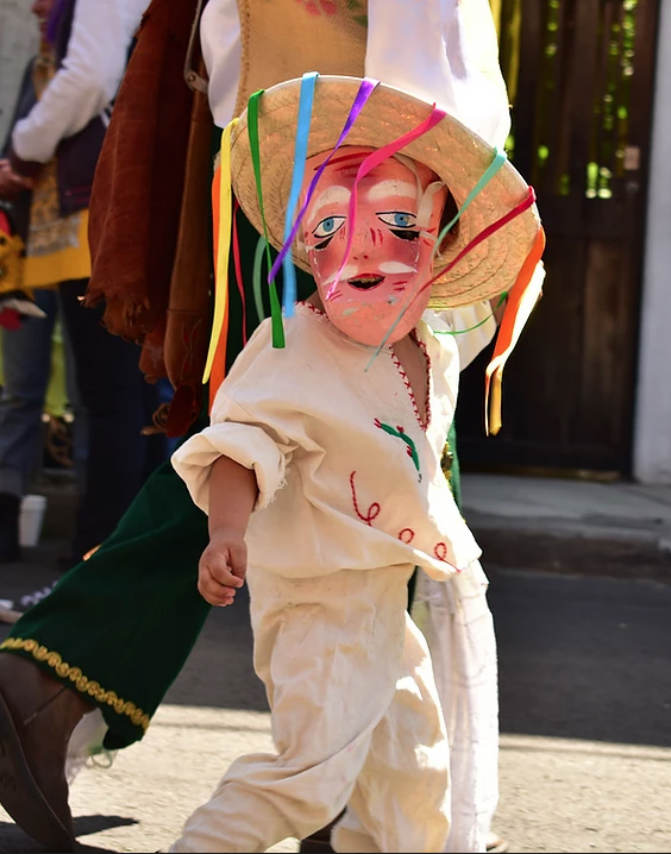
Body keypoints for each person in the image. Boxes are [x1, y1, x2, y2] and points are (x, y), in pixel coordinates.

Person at [0, 2, 534, 850]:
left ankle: (61, 682)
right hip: (368, 181)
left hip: (301, 173)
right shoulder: (390, 229)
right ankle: (67, 687)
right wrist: (420, 226)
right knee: (322, 435)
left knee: (306, 433)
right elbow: (429, 65)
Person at [164, 73, 540, 852]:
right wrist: (226, 531)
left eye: (397, 220)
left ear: (436, 236)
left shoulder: (434, 349)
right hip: (315, 609)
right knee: (310, 777)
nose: (363, 245)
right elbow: (241, 444)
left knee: (411, 782)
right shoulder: (290, 344)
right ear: (306, 243)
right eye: (334, 227)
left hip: (381, 601)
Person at [0, 0, 164, 628]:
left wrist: (25, 152)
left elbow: (86, 78)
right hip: (136, 210)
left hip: (105, 218)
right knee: (131, 402)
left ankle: (92, 578)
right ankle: (129, 570)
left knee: (113, 404)